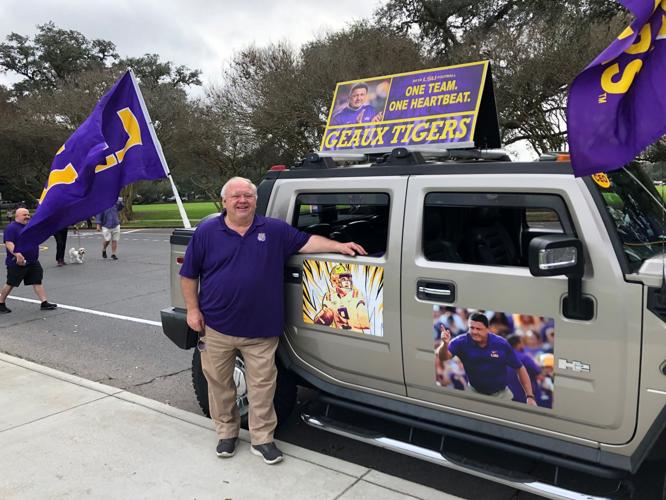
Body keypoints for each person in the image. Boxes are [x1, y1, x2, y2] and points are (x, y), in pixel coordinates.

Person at [179, 176, 367, 465]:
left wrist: (339, 246)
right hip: (216, 326)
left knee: (263, 388)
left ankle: (262, 439)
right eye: (236, 196)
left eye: (248, 196)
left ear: (256, 200)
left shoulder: (274, 230)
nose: (242, 201)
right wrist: (193, 311)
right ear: (224, 202)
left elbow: (307, 242)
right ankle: (226, 433)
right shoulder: (207, 232)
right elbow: (189, 275)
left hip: (261, 329)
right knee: (219, 386)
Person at [436, 313, 537, 406]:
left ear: (488, 329)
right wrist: (445, 344)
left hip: (501, 395)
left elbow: (519, 367)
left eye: (479, 329)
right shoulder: (460, 341)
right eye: (472, 328)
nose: (475, 332)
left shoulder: (501, 344)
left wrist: (530, 396)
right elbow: (443, 357)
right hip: (475, 393)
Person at [0, 208, 58, 314]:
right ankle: (1, 303)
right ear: (17, 216)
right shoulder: (11, 228)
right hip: (17, 261)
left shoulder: (29, 227)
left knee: (37, 280)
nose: (27, 216)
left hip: (32, 260)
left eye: (28, 214)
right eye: (24, 215)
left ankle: (44, 302)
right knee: (11, 283)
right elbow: (9, 243)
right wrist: (17, 254)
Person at [313, 264, 370, 332]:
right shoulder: (329, 297)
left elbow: (365, 323)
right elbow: (317, 320)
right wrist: (322, 319)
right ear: (334, 281)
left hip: (355, 336)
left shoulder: (356, 294)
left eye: (349, 279)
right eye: (343, 279)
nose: (347, 282)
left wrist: (349, 323)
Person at [506, 334, 542, 404]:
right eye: (522, 342)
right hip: (525, 398)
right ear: (518, 344)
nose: (524, 344)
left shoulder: (502, 356)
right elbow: (539, 374)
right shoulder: (524, 358)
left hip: (507, 396)